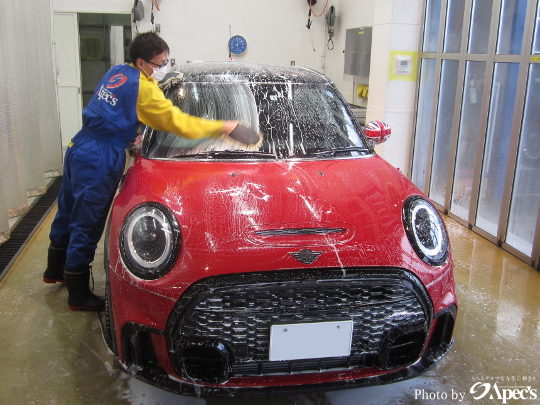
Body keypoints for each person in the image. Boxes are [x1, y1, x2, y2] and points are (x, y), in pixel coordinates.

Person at [43, 32, 260, 311]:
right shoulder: (145, 91)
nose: (163, 67)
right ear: (142, 62)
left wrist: (136, 126)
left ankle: (54, 270)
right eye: (160, 63)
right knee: (87, 223)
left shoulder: (119, 71)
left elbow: (121, 107)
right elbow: (179, 123)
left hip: (80, 146)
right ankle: (78, 293)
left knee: (68, 209)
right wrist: (224, 127)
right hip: (100, 157)